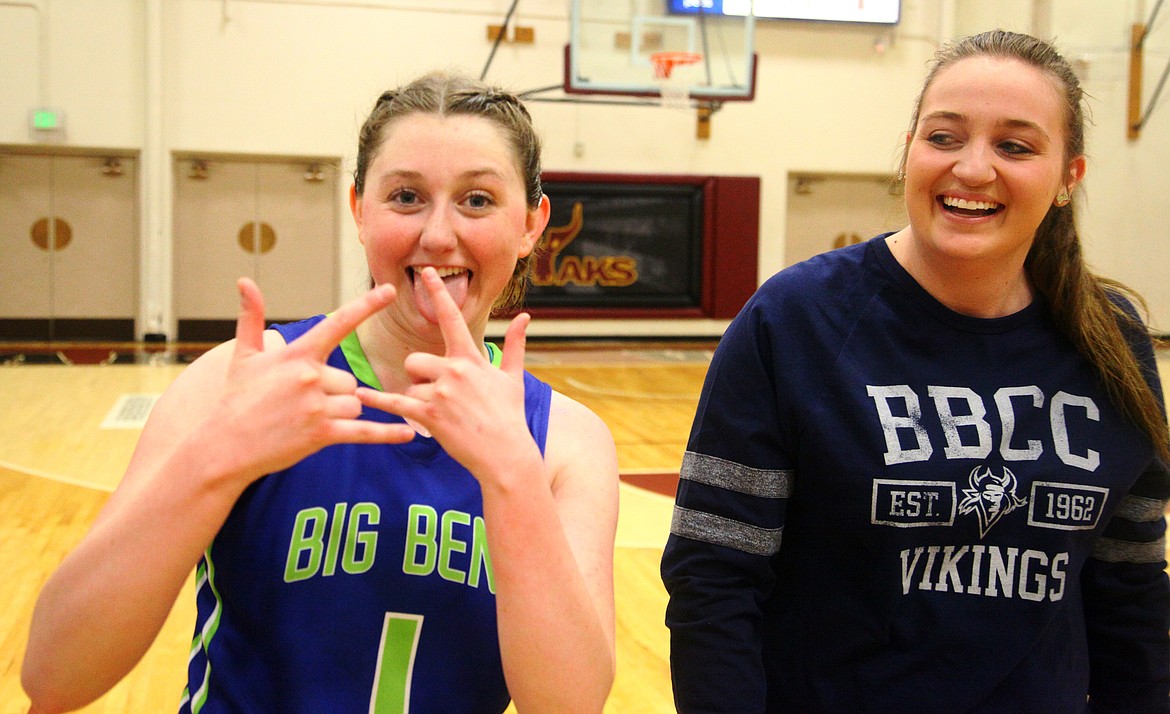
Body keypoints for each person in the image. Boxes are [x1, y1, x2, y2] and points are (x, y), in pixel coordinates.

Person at [22, 71, 619, 714]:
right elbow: (55, 676)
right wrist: (214, 459)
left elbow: (571, 704)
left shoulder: (565, 441)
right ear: (360, 209)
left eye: (477, 200)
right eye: (406, 197)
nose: (439, 236)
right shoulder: (239, 383)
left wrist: (513, 478)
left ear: (532, 223)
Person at [661, 29, 1170, 713]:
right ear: (909, 151)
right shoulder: (794, 322)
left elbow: (1130, 592)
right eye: (944, 137)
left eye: (1015, 146)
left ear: (1066, 180)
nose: (973, 168)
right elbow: (714, 578)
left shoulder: (1114, 343)